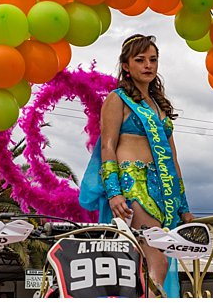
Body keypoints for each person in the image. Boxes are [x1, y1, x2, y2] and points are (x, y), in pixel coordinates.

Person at [79, 34, 193, 296]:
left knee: (149, 260)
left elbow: (172, 159)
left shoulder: (159, 106)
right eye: (140, 60)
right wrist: (114, 192)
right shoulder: (117, 99)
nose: (148, 65)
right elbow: (108, 146)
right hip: (133, 184)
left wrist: (183, 207)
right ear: (126, 66)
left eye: (153, 60)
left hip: (163, 189)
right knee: (157, 259)